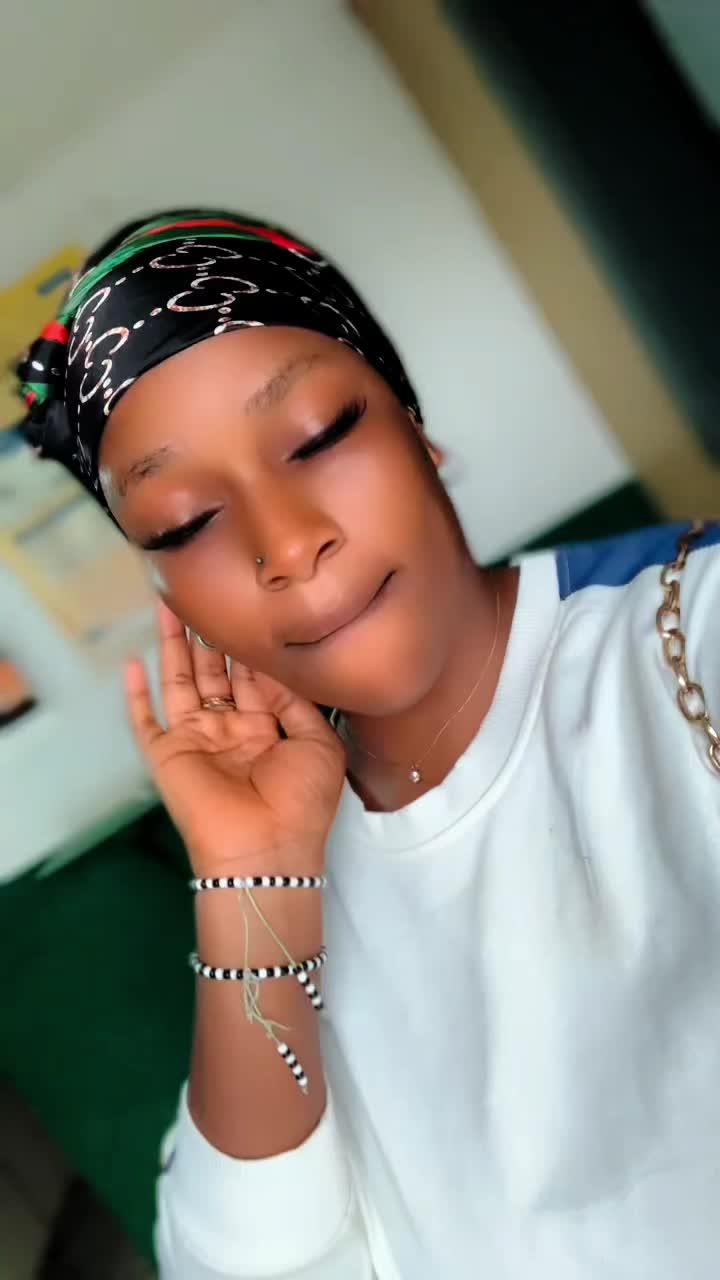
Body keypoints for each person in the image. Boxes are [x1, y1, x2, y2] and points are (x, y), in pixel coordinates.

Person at [18, 207, 720, 1279]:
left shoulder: (683, 636)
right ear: (167, 588)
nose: (288, 543)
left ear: (416, 427)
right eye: (186, 520)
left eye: (318, 436)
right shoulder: (287, 873)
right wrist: (253, 875)